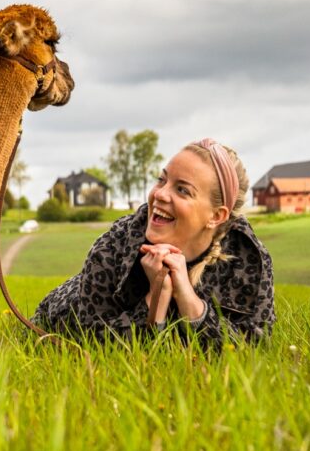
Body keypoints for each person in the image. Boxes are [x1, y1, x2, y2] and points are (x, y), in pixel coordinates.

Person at [32, 138, 274, 349]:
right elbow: (94, 342)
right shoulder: (115, 244)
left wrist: (187, 298)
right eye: (162, 180)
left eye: (182, 190)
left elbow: (254, 345)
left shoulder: (249, 258)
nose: (159, 194)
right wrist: (156, 297)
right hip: (57, 318)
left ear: (216, 216)